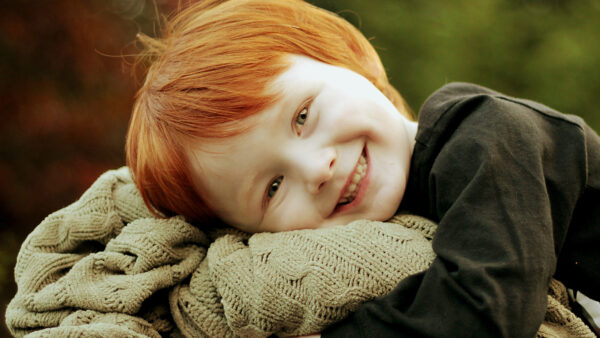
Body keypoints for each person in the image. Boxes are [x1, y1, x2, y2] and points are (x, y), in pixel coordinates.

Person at [126, 0, 600, 336]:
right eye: (272, 188)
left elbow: (490, 309)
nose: (316, 169)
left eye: (302, 116)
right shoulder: (384, 229)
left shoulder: (483, 135)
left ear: (346, 58)